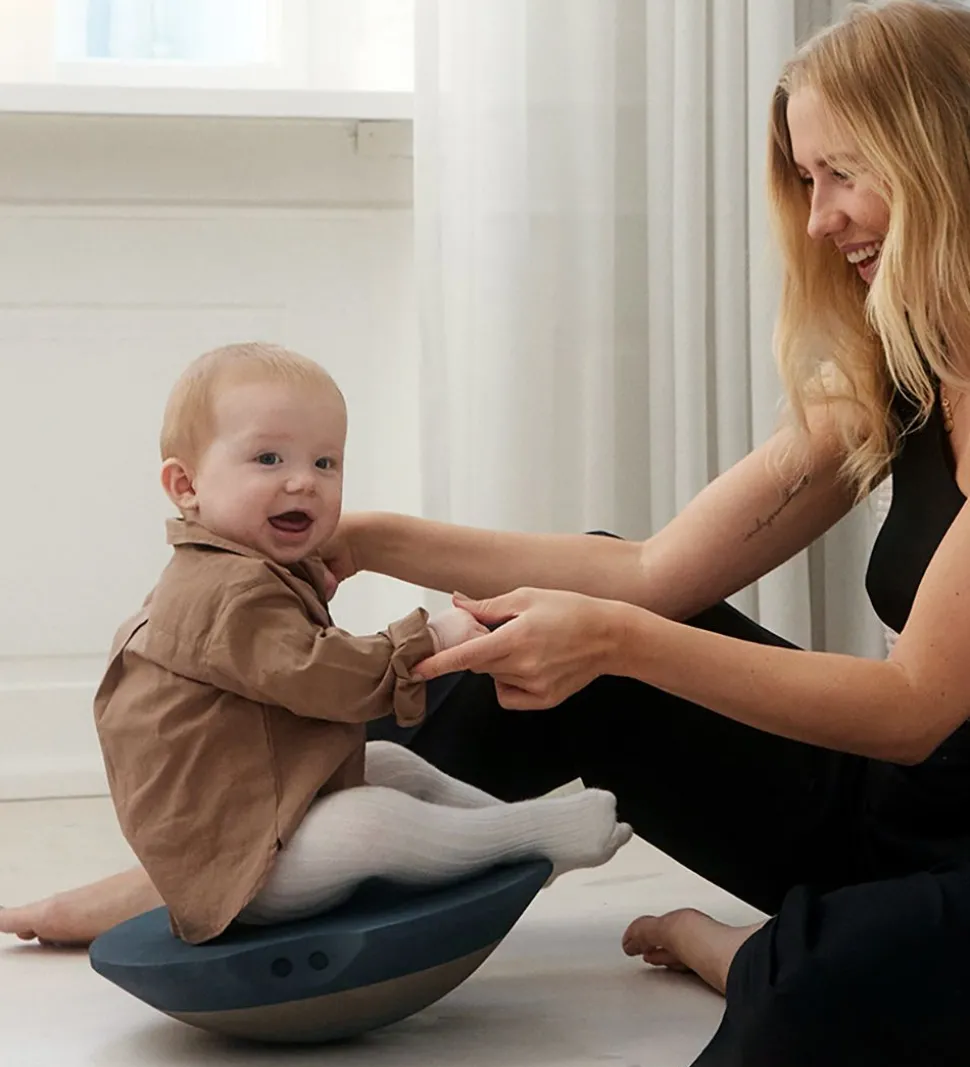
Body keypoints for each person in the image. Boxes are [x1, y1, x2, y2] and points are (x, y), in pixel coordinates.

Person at [3, 0, 970, 1059]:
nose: (821, 217)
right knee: (554, 640)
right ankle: (234, 845)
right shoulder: (900, 376)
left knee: (805, 982)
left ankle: (748, 949)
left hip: (946, 849)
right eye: (805, 179)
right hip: (884, 816)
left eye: (844, 172)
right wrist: (372, 534)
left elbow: (911, 704)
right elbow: (649, 568)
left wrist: (609, 635)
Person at [30, 341, 634, 945]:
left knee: (387, 763)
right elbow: (323, 677)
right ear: (186, 485)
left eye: (327, 463)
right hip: (246, 868)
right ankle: (528, 836)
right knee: (366, 824)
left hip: (256, 812)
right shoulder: (227, 592)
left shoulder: (235, 570)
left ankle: (508, 835)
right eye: (268, 458)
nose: (304, 482)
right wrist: (424, 641)